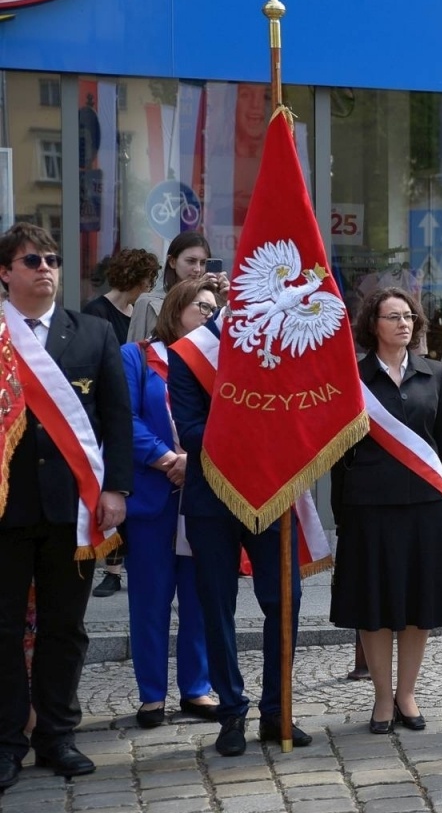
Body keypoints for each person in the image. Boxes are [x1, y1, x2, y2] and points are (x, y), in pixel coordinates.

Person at [0, 224, 132, 790]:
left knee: (65, 627)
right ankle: (7, 742)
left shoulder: (93, 333)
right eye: (32, 260)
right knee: (3, 629)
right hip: (5, 508)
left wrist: (116, 489)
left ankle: (57, 735)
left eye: (52, 259)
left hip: (72, 509)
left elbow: (116, 420)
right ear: (6, 272)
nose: (45, 268)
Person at [169, 294, 313, 756]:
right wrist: (250, 423)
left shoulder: (280, 349)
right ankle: (231, 712)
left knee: (284, 603)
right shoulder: (190, 353)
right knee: (217, 607)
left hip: (270, 492)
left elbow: (300, 415)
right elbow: (189, 430)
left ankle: (276, 712)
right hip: (211, 498)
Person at [330, 288, 442, 734]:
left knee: (417, 604)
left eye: (408, 316)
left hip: (425, 506)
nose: (404, 324)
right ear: (374, 325)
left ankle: (407, 693)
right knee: (375, 603)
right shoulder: (353, 377)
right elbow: (340, 449)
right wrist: (341, 511)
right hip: (369, 507)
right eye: (393, 317)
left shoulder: (434, 373)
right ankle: (382, 699)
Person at [121, 279, 223, 728]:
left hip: (202, 493)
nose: (210, 315)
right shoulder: (137, 356)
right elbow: (122, 417)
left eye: (215, 310)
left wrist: (195, 463)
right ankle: (151, 695)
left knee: (199, 595)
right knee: (150, 596)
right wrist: (168, 460)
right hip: (154, 496)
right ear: (176, 307)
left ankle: (196, 688)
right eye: (202, 307)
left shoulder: (218, 362)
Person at [85, 247, 162, 599]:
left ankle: (121, 563)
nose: (150, 284)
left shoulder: (140, 311)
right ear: (137, 278)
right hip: (107, 407)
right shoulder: (97, 312)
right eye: (148, 278)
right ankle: (112, 567)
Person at [128, 232, 216, 346]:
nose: (198, 269)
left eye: (203, 263)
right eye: (191, 261)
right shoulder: (148, 303)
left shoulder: (213, 303)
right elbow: (134, 351)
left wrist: (227, 300)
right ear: (172, 262)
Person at [85, 247, 161, 346]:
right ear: (134, 279)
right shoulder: (95, 311)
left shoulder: (136, 310)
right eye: (148, 282)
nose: (149, 289)